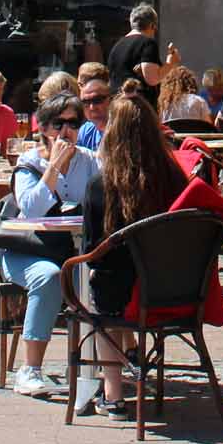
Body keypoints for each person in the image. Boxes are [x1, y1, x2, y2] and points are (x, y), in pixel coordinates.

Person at [74, 85, 190, 417]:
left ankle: (113, 393)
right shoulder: (174, 177)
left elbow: (93, 248)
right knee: (119, 276)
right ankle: (134, 355)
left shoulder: (103, 182)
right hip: (173, 288)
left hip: (123, 294)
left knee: (104, 284)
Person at [0, 95, 100, 397]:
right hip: (26, 251)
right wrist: (53, 167)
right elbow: (32, 209)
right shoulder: (29, 165)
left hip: (71, 249)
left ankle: (95, 365)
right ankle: (30, 369)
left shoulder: (90, 161)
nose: (66, 131)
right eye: (59, 124)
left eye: (73, 123)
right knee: (48, 277)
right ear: (42, 127)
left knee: (104, 275)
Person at [104, 4, 165, 91]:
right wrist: (171, 63)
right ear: (152, 25)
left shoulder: (117, 46)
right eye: (155, 28)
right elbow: (153, 79)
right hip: (138, 102)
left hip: (116, 101)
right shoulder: (147, 43)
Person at [76, 74, 114, 152]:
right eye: (86, 102)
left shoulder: (125, 129)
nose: (92, 107)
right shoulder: (85, 132)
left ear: (111, 100)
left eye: (97, 100)